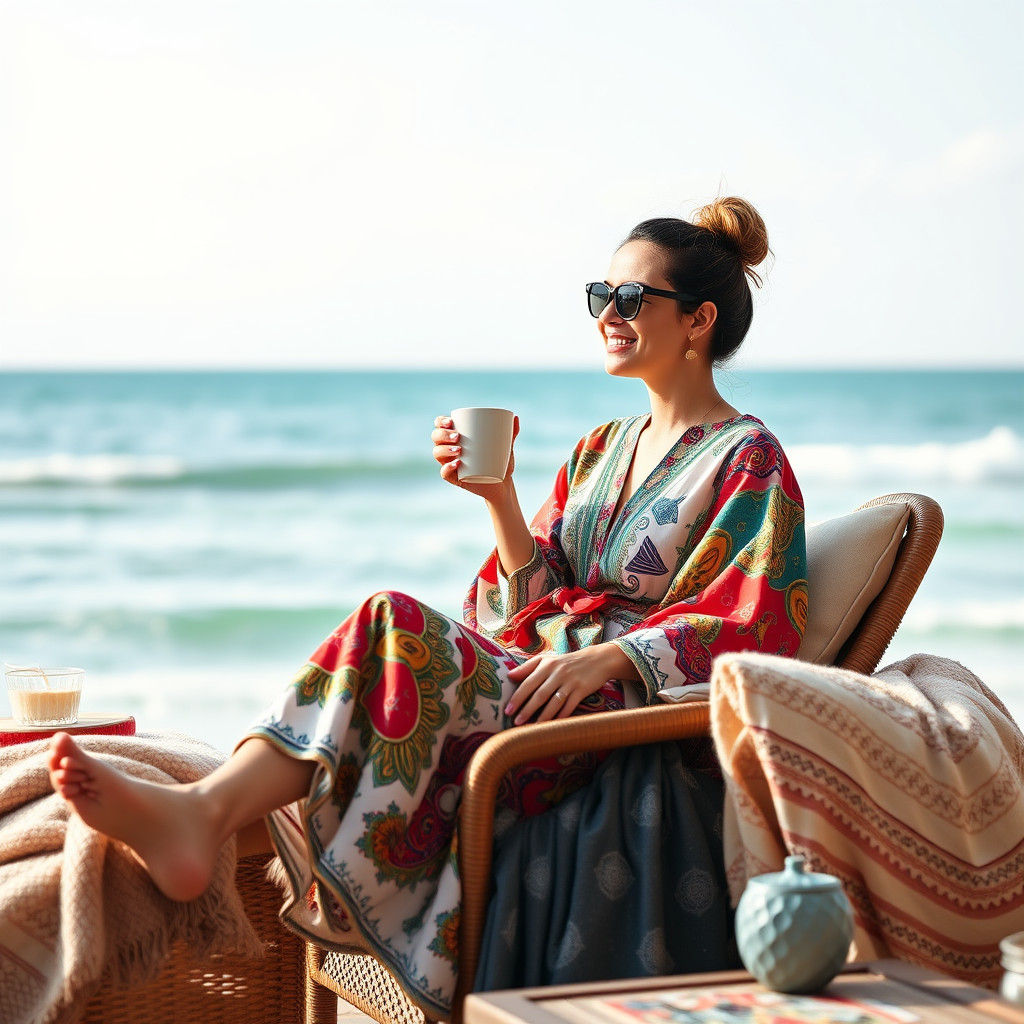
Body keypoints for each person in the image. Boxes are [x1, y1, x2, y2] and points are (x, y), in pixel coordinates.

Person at [47, 196, 807, 1018]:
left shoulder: (749, 458)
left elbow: (755, 622)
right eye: (600, 295)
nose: (607, 316)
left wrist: (612, 657)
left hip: (605, 707)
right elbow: (532, 592)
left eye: (630, 299)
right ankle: (200, 817)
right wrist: (499, 496)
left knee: (392, 621)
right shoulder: (601, 448)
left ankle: (202, 817)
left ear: (696, 321)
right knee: (388, 631)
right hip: (541, 669)